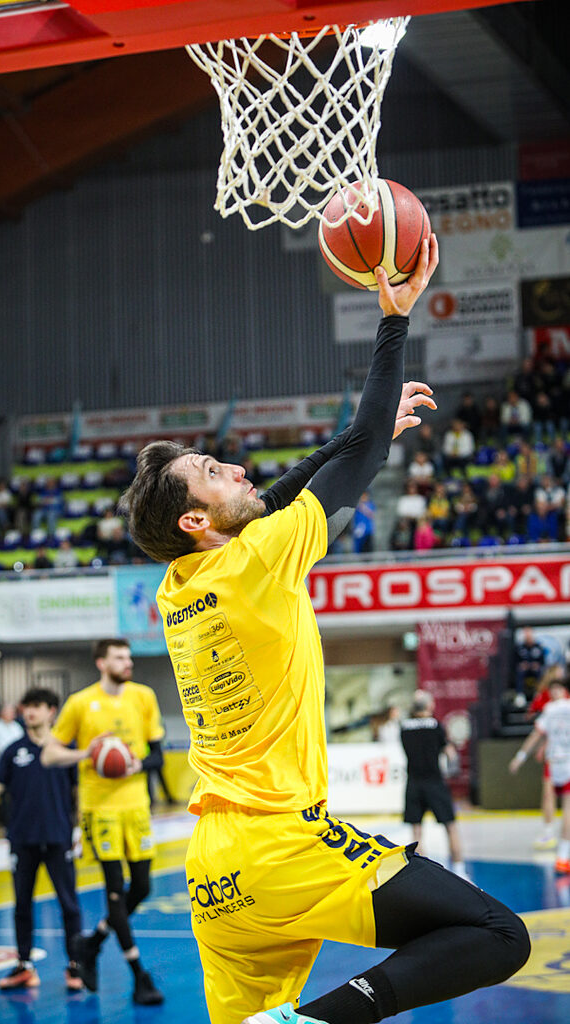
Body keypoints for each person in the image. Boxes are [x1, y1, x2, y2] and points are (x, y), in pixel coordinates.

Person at [120, 240, 529, 1024]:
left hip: (214, 870)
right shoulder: (255, 561)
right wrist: (392, 320)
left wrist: (354, 437)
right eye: (212, 471)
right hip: (281, 843)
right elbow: (344, 466)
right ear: (196, 521)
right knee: (496, 934)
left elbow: (276, 496)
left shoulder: (180, 586)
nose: (236, 470)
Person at [41, 638, 165, 1005]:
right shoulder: (80, 703)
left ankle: (92, 943)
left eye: (128, 657)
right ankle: (139, 976)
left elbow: (157, 755)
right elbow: (49, 755)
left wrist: (135, 763)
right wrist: (88, 752)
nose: (128, 662)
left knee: (141, 887)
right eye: (119, 657)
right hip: (100, 809)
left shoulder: (143, 697)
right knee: (114, 890)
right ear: (101, 663)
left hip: (136, 807)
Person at [0, 687, 84, 990]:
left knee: (69, 905)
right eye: (26, 706)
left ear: (51, 711)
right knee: (22, 906)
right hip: (23, 839)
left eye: (37, 706)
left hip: (58, 838)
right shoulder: (12, 750)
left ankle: (75, 965)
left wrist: (80, 829)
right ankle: (24, 966)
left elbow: (78, 792)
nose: (30, 711)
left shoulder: (65, 750)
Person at [399, 690, 468, 878]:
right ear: (430, 706)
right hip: (434, 782)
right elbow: (450, 755)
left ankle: (422, 875)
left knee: (416, 831)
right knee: (450, 826)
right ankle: (460, 870)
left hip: (414, 783)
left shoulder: (404, 728)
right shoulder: (436, 726)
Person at [510, 676, 570, 874]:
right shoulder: (555, 709)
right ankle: (561, 851)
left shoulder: (551, 710)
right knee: (556, 800)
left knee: (561, 803)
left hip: (558, 760)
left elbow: (536, 734)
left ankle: (556, 844)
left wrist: (520, 757)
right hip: (558, 760)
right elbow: (538, 735)